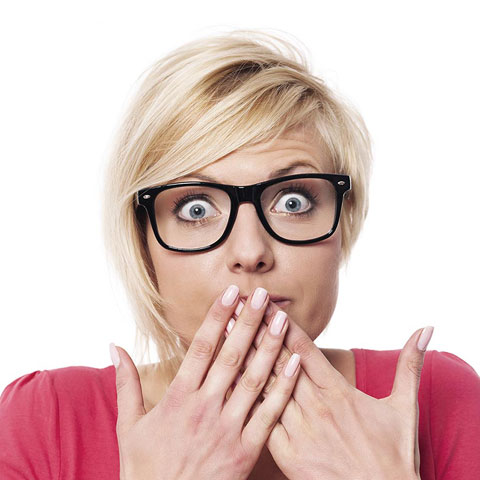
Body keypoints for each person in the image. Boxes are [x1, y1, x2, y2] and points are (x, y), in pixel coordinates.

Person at [1, 29, 479, 480]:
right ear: (142, 240)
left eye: (293, 202)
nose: (250, 253)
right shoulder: (44, 421)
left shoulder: (439, 399)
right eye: (196, 208)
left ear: (343, 224)